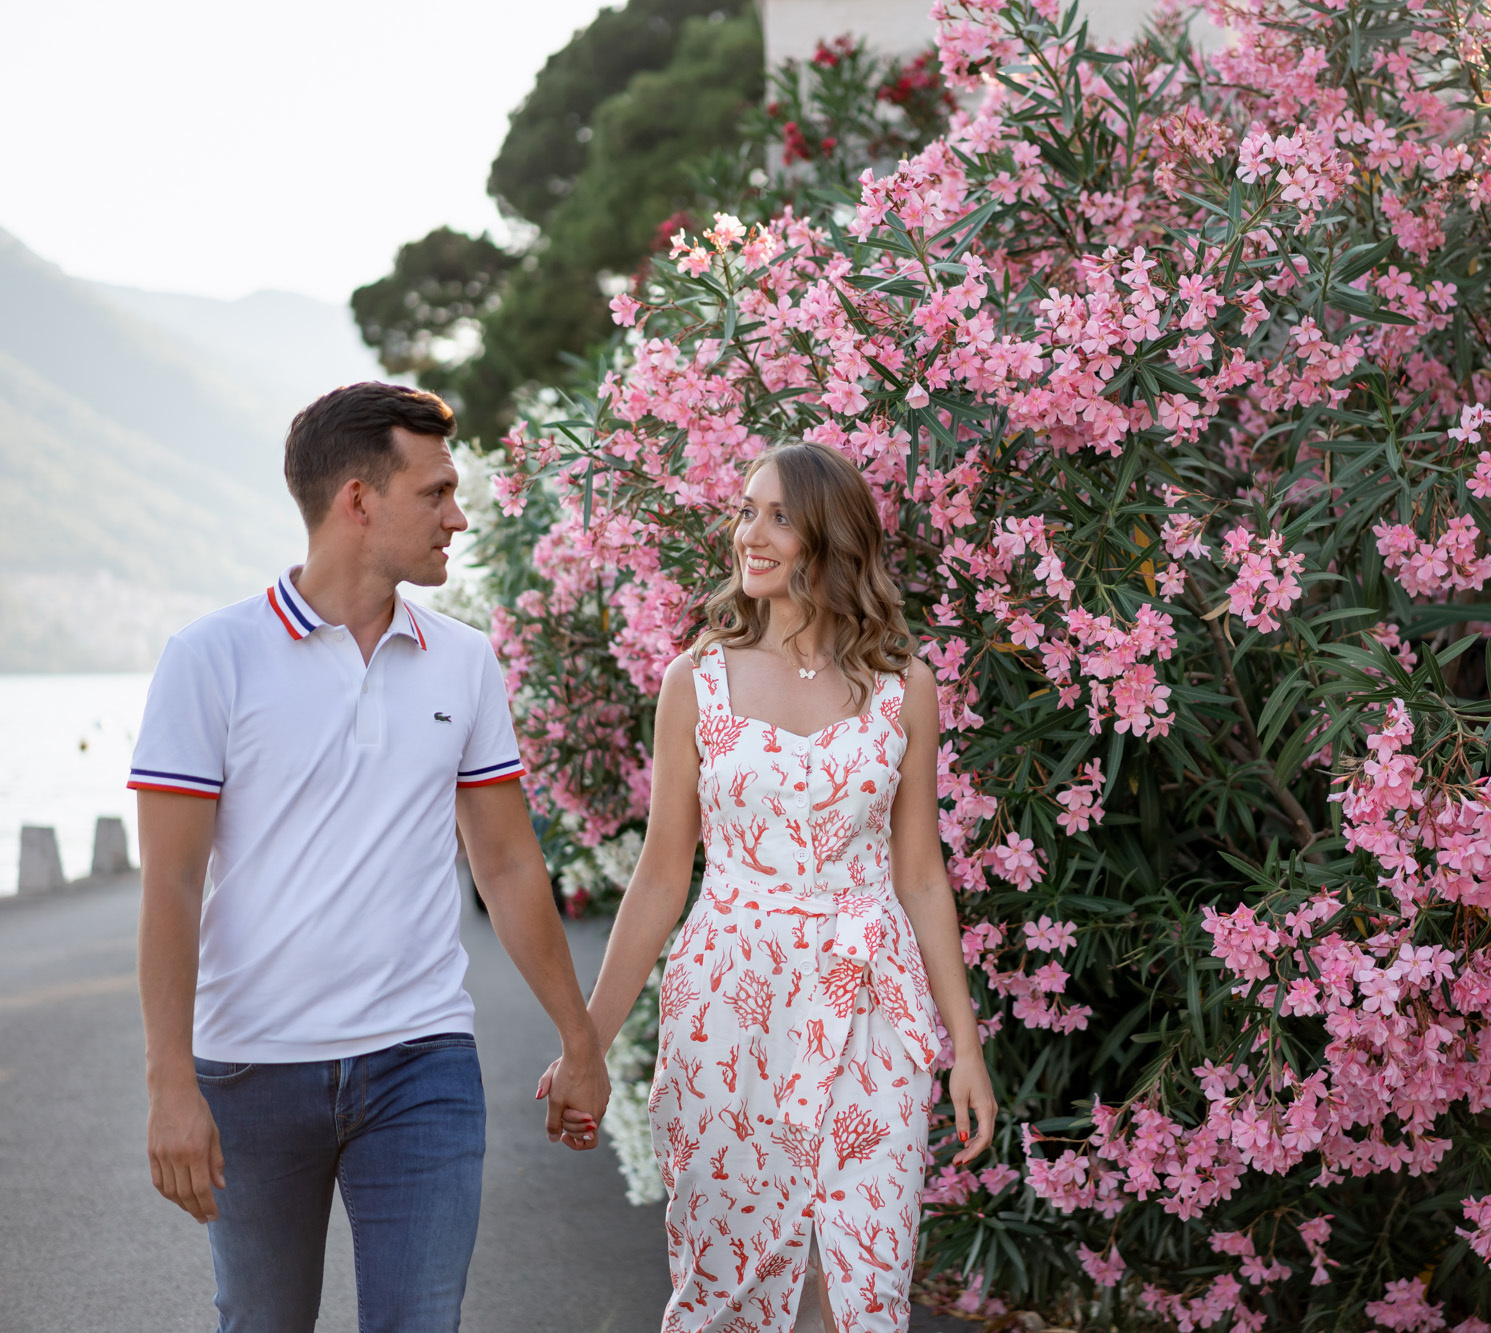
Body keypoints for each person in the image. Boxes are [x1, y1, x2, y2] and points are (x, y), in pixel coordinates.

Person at [133, 382, 611, 1332]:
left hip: (421, 1061)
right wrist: (169, 1085)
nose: (458, 516)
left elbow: (510, 865)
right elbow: (172, 885)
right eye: (435, 492)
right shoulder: (209, 658)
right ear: (359, 499)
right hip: (249, 1070)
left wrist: (580, 1040)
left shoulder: (464, 661)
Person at [538, 441, 998, 1332]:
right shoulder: (694, 683)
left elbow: (921, 873)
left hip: (871, 998)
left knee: (868, 1278)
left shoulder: (905, 687)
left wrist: (966, 1047)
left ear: (831, 538)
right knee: (731, 1281)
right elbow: (663, 874)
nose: (752, 532)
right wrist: (587, 1041)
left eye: (779, 515)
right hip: (732, 1003)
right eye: (747, 510)